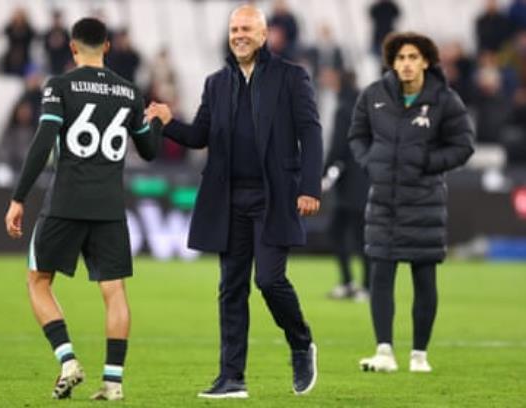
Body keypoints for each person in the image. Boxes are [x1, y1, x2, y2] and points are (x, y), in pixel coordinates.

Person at [146, 4, 322, 398]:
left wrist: (310, 187)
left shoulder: (292, 77)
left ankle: (300, 342)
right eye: (233, 29)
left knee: (270, 280)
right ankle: (231, 377)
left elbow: (311, 133)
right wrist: (167, 122)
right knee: (231, 288)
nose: (239, 34)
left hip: (274, 196)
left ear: (264, 35)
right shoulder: (215, 83)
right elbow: (200, 136)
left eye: (246, 28)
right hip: (229, 198)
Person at [4, 17, 162, 401]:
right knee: (114, 290)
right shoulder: (129, 92)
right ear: (107, 46)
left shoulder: (59, 86)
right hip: (109, 206)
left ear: (73, 48)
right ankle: (113, 382)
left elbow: (43, 144)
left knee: (38, 281)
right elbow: (150, 151)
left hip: (66, 203)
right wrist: (157, 121)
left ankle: (68, 360)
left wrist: (18, 197)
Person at [348, 32, 474, 373]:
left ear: (426, 62)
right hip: (383, 203)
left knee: (424, 278)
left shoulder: (445, 100)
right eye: (400, 57)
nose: (406, 64)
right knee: (381, 275)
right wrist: (371, 161)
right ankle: (384, 352)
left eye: (413, 57)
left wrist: (427, 163)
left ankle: (420, 355)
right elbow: (357, 136)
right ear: (392, 62)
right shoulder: (373, 95)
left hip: (424, 202)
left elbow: (463, 146)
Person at [322, 71, 370, 301]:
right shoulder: (365, 106)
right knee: (358, 233)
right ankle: (358, 284)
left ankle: (357, 284)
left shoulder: (344, 109)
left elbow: (338, 146)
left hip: (351, 181)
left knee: (341, 232)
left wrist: (322, 173)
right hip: (368, 177)